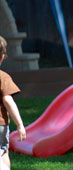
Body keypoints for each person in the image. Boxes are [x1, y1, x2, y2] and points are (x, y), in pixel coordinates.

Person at [0, 36, 26, 169]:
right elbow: (8, 100)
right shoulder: (3, 77)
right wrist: (20, 124)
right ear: (2, 57)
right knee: (3, 152)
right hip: (1, 124)